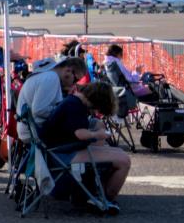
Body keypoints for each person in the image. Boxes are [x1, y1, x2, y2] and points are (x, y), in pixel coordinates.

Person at [40, 79, 128, 210]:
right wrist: (99, 134)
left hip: (60, 150)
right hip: (62, 154)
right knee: (124, 160)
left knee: (120, 153)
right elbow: (80, 134)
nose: (96, 111)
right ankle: (106, 198)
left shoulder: (73, 101)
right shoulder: (75, 106)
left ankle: (98, 193)